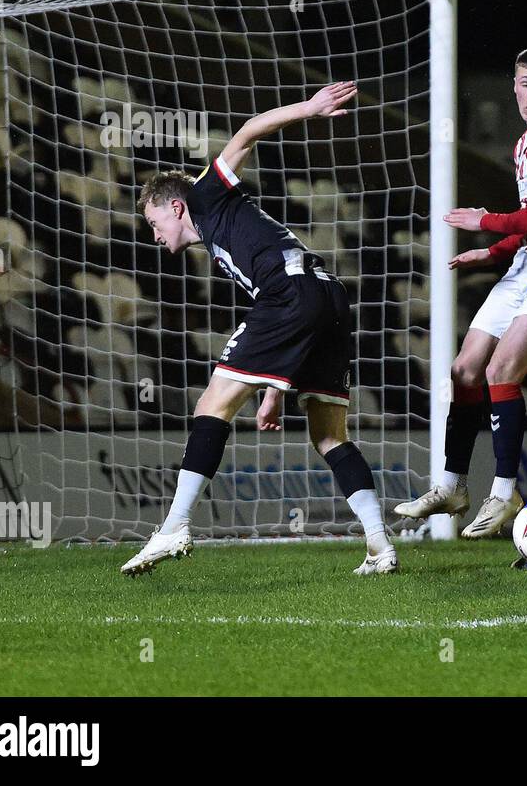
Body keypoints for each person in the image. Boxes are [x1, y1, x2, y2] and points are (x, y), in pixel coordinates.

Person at [121, 82, 400, 577]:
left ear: (175, 206)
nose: (154, 233)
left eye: (152, 221)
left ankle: (174, 526)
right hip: (328, 294)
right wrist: (274, 388)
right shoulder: (219, 234)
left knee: (211, 404)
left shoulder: (205, 195)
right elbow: (286, 328)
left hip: (292, 294)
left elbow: (247, 132)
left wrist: (311, 109)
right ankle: (380, 545)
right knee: (330, 436)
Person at [394, 47, 527, 537]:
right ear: (513, 84)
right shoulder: (523, 144)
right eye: (525, 83)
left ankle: (504, 491)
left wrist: (482, 222)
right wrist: (489, 254)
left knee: (501, 370)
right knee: (464, 369)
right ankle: (451, 485)